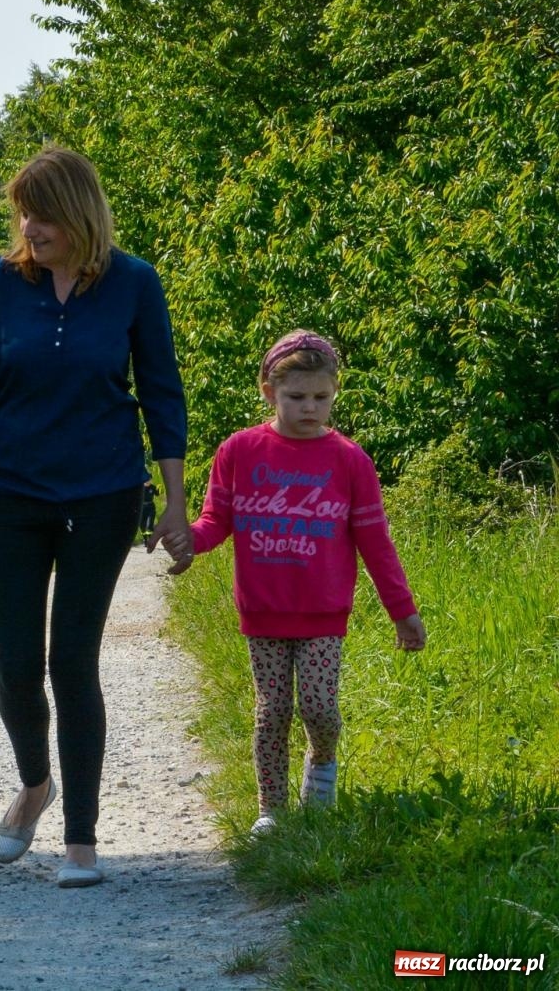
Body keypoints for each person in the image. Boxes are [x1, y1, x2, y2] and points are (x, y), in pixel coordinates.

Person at [0, 146, 189, 888]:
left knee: (72, 661)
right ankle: (34, 784)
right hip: (9, 492)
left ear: (79, 212)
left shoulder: (136, 285)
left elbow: (162, 395)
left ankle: (82, 839)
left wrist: (174, 500)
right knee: (15, 668)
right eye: (21, 212)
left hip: (103, 494)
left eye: (40, 212)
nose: (27, 226)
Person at [175, 329, 426, 834]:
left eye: (320, 397)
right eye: (296, 398)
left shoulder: (350, 460)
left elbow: (376, 544)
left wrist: (403, 611)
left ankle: (323, 768)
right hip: (263, 610)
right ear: (269, 392)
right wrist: (188, 543)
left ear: (335, 391)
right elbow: (215, 520)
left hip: (323, 612)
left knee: (319, 707)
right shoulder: (240, 451)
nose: (309, 408)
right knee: (272, 713)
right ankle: (272, 809)